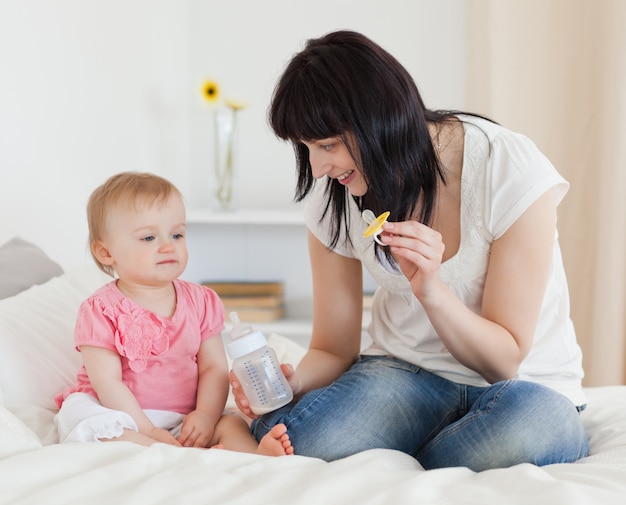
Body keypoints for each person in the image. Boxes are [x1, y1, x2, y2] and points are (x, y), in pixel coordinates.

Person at [230, 30, 589, 471]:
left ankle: (411, 460)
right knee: (296, 441)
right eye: (307, 149)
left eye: (327, 145)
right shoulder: (335, 194)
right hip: (403, 375)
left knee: (539, 428)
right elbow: (333, 347)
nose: (319, 168)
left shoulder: (507, 166)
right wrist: (295, 381)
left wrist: (432, 291)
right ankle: (434, 459)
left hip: (524, 385)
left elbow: (505, 360)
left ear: (378, 120)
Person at [55, 172, 293, 456]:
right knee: (87, 423)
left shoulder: (200, 300)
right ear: (106, 252)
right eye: (149, 237)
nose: (168, 245)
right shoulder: (100, 309)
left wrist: (205, 415)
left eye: (177, 234)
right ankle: (161, 450)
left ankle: (255, 456)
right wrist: (149, 431)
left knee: (229, 424)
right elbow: (107, 382)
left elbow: (213, 368)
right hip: (123, 414)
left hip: (185, 417)